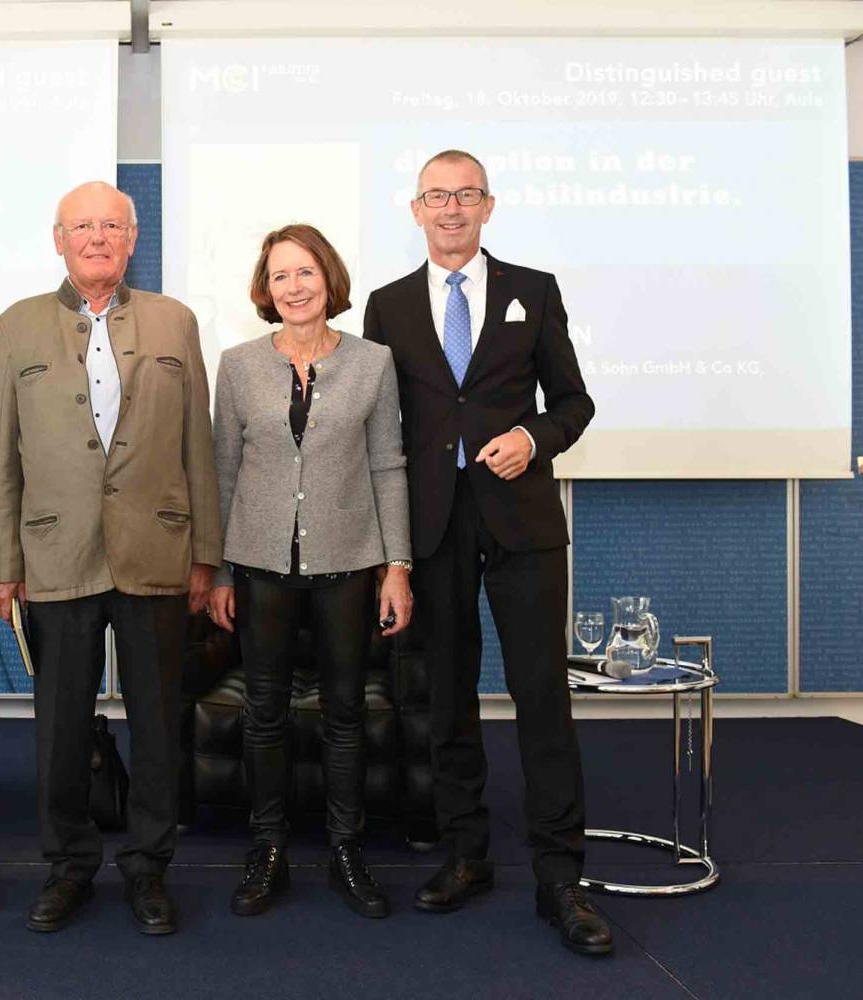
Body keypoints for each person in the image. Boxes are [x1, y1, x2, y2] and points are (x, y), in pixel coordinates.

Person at [362, 149, 610, 956]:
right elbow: (383, 430)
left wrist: (533, 437)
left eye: (466, 195)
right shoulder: (387, 305)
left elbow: (574, 402)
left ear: (489, 206)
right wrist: (390, 552)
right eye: (438, 196)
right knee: (449, 699)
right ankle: (467, 854)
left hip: (522, 523)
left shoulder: (532, 291)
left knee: (542, 697)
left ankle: (559, 876)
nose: (452, 209)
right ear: (416, 209)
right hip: (433, 528)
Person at [0, 180, 221, 936]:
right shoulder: (15, 327)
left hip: (158, 546)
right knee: (59, 727)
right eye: (81, 226)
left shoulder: (174, 322)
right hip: (55, 552)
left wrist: (206, 554)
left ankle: (149, 868)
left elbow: (199, 450)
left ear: (131, 238)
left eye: (110, 226)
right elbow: (1, 458)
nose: (97, 238)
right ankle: (69, 866)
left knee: (156, 724)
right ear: (58, 239)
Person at [207, 224, 412, 919]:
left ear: (329, 280)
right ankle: (266, 850)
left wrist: (397, 567)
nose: (294, 287)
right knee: (263, 714)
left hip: (349, 564)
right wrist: (222, 574)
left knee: (345, 713)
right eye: (281, 276)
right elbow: (224, 471)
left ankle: (346, 849)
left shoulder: (373, 363)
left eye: (306, 273)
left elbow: (388, 464)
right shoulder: (236, 365)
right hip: (260, 566)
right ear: (265, 290)